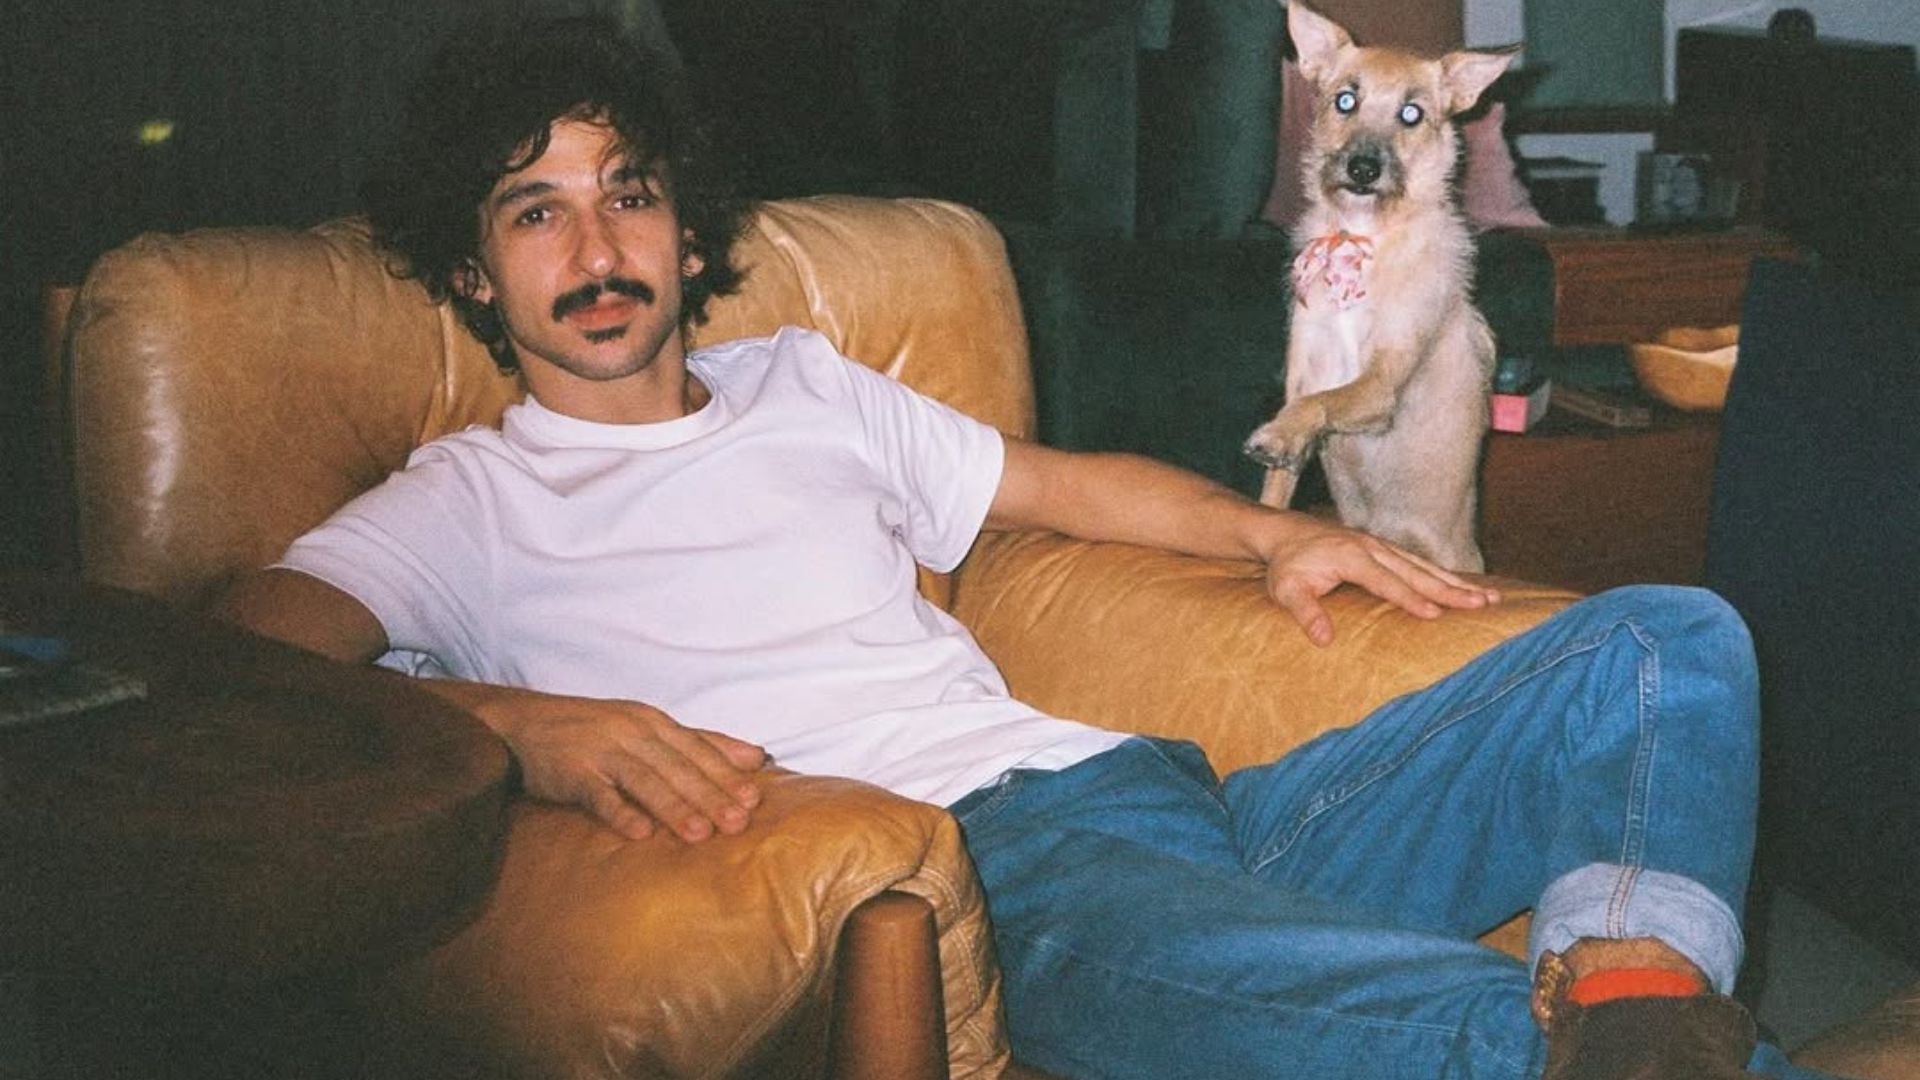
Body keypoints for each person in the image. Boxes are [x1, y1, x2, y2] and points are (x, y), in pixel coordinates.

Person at [215, 16, 1828, 1080]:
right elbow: (234, 660)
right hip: (977, 883)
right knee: (1464, 1034)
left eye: (627, 196)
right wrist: (522, 728)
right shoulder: (466, 501)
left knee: (1665, 640)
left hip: (1166, 796)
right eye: (534, 210)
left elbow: (1065, 488)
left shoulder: (804, 385)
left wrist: (1269, 536)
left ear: (689, 234)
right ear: (475, 274)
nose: (594, 244)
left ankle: (1634, 991)